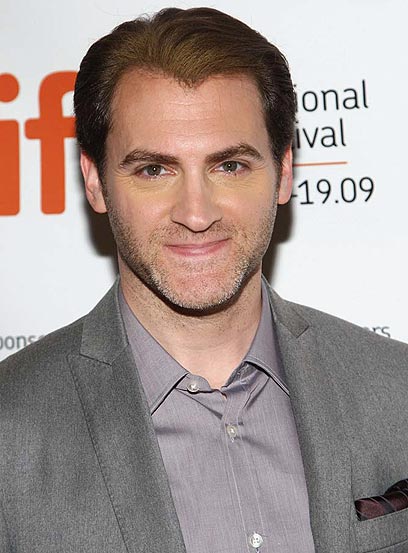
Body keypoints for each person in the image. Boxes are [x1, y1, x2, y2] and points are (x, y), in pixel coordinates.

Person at [0, 7, 407, 553]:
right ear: (94, 182)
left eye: (229, 166)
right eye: (154, 170)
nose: (196, 213)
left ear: (284, 172)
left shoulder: (397, 390)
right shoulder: (11, 429)